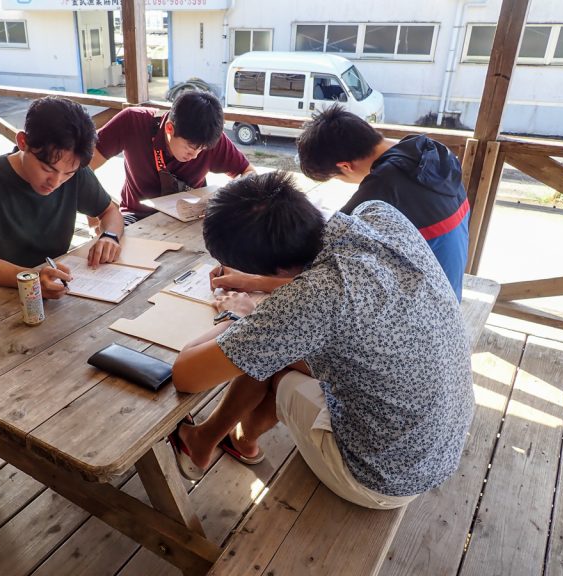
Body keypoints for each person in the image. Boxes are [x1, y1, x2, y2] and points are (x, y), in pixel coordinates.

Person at [171, 171, 474, 510]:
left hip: (383, 479)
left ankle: (210, 441)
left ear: (276, 269)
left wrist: (238, 316)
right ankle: (234, 440)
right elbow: (330, 281)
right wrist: (255, 282)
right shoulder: (379, 215)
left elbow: (185, 374)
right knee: (277, 349)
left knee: (272, 361)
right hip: (438, 441)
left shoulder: (315, 298)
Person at [0, 96, 124, 299]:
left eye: (68, 174)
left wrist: (110, 236)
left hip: (56, 286)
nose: (56, 181)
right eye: (47, 169)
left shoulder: (76, 172)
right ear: (23, 142)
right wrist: (32, 279)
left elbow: (109, 211)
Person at [296, 104, 469, 300]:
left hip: (428, 307)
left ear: (345, 166)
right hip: (452, 291)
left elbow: (327, 245)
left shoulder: (385, 183)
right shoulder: (429, 150)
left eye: (337, 177)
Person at [90, 90, 257, 223]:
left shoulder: (208, 138)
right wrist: (101, 211)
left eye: (203, 149)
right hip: (136, 215)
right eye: (190, 147)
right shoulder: (132, 121)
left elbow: (249, 173)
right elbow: (86, 165)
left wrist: (226, 196)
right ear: (170, 128)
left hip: (191, 218)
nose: (195, 155)